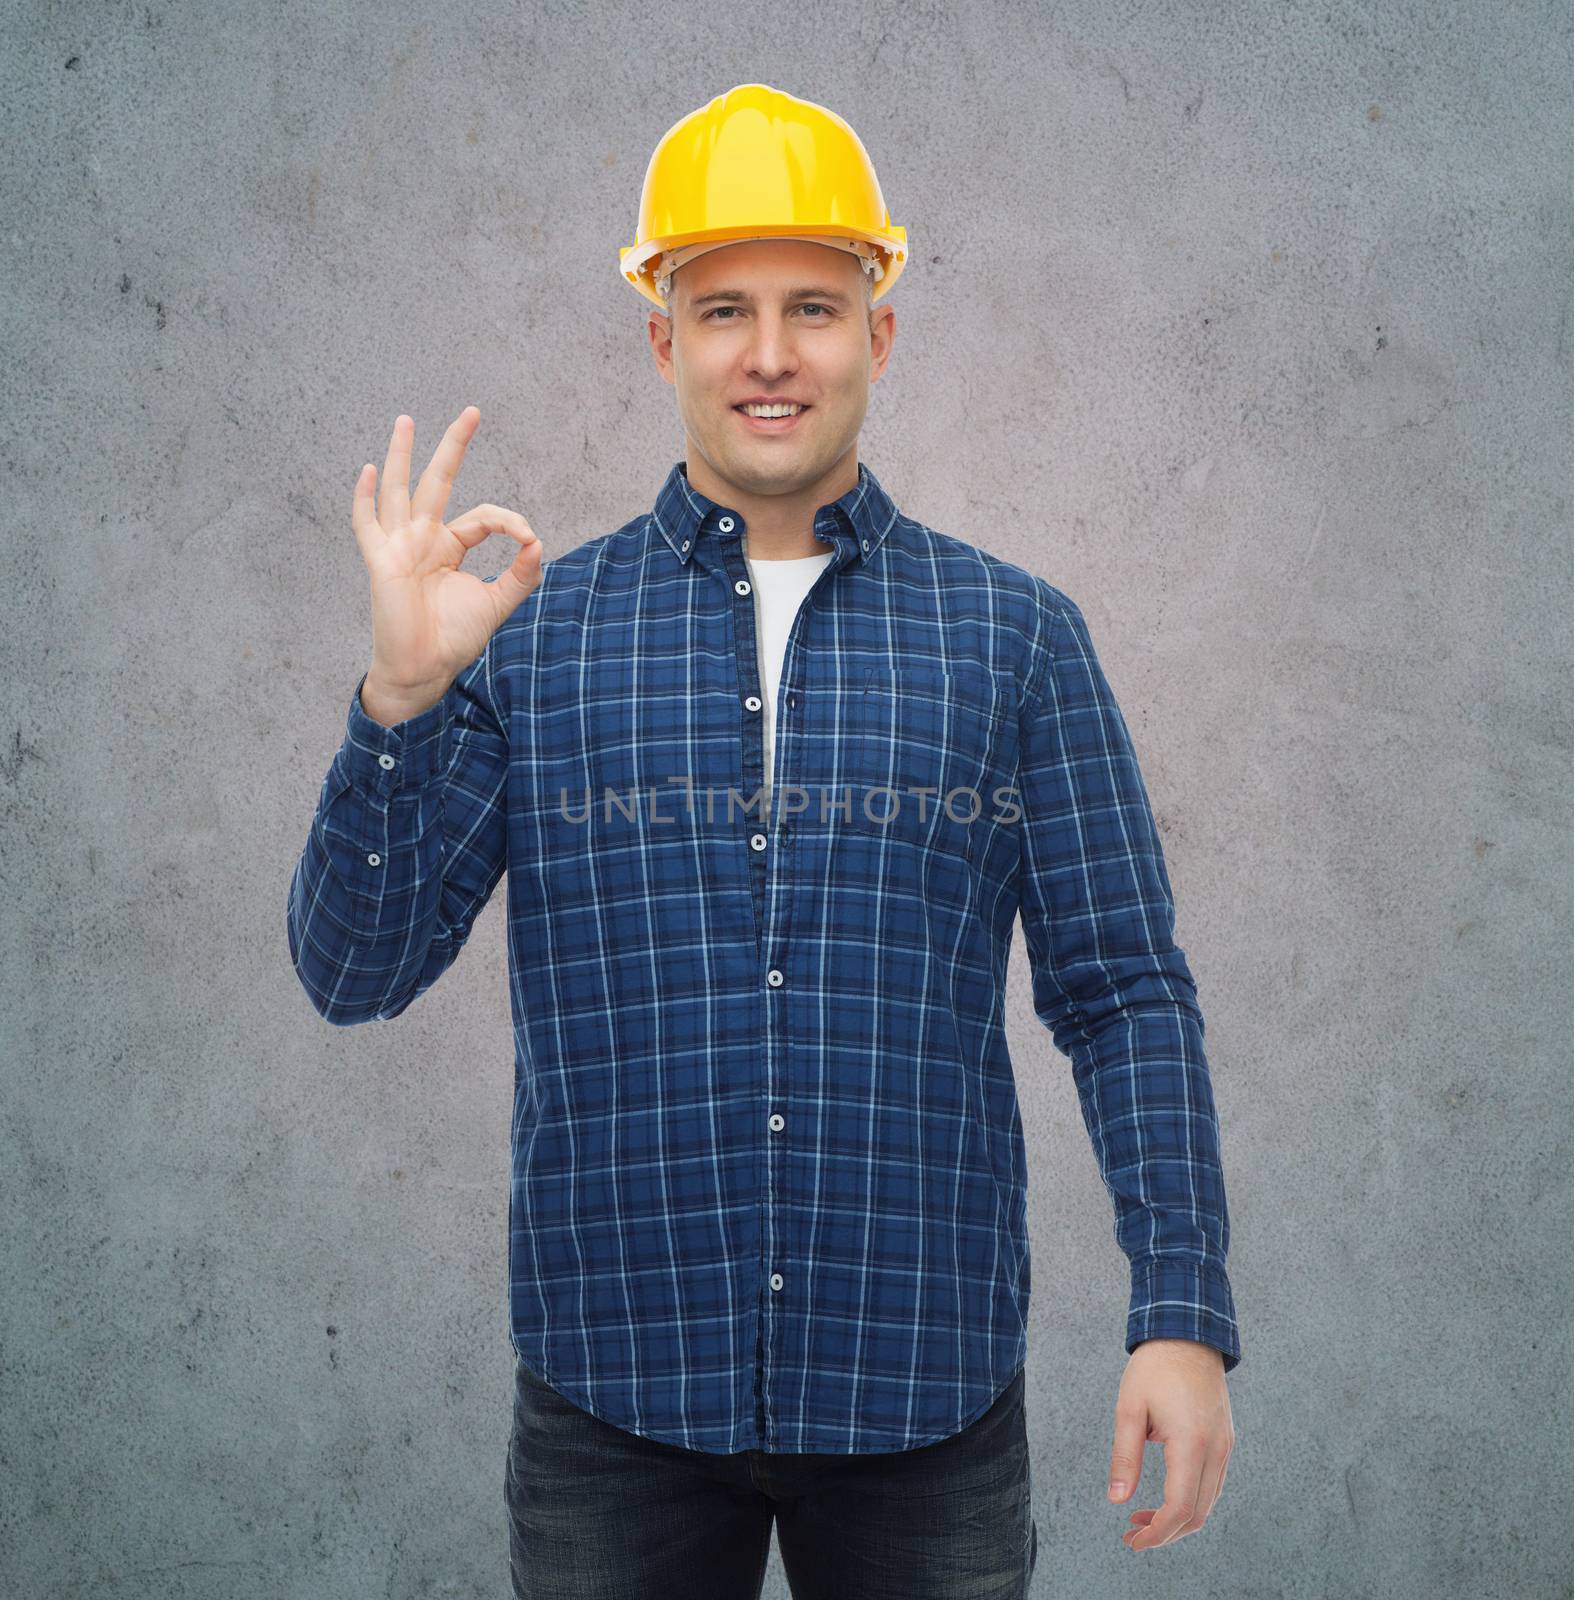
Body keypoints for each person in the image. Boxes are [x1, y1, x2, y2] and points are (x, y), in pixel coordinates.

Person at [288, 81, 1240, 1598]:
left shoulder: (1013, 638)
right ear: (661, 338)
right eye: (721, 308)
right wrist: (402, 695)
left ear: (880, 329)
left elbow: (1122, 991)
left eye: (816, 304)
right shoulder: (539, 642)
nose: (772, 353)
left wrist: (1178, 1313)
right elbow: (354, 970)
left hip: (925, 1402)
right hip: (614, 1407)